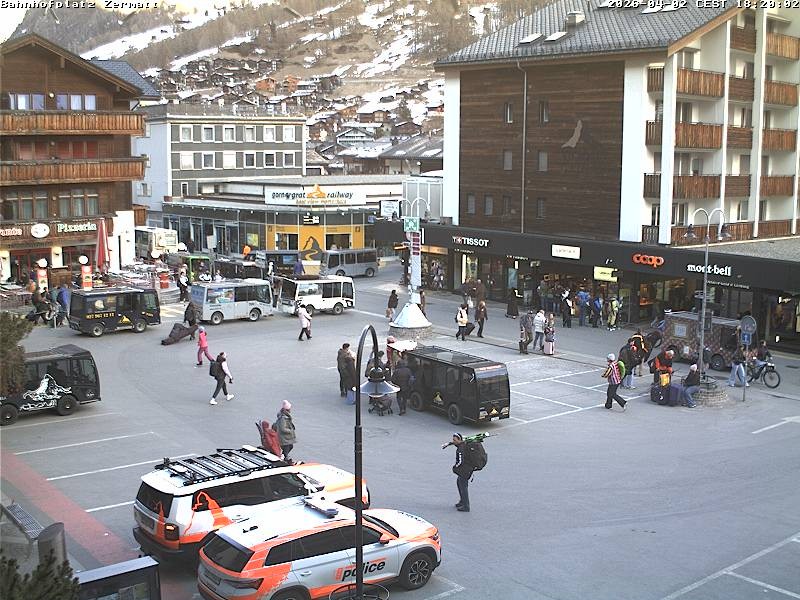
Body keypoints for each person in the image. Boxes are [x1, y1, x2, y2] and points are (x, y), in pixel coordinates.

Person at [450, 433, 471, 512]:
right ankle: (462, 501)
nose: (453, 441)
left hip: (465, 470)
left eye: (455, 440)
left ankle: (466, 506)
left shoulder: (460, 449)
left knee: (463, 487)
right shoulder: (463, 444)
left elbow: (460, 461)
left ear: (459, 440)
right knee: (460, 483)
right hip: (466, 469)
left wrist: (455, 467)